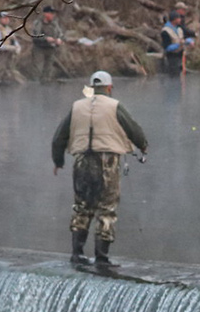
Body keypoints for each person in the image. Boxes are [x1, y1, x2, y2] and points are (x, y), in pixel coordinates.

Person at [51, 71, 150, 269]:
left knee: (82, 207)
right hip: (107, 161)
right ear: (109, 87)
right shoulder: (115, 106)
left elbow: (59, 137)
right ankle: (102, 258)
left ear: (91, 87)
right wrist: (143, 145)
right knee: (106, 208)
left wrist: (58, 161)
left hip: (81, 161)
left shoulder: (76, 106)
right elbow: (134, 129)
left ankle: (77, 254)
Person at [29, 7, 66, 82]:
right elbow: (34, 36)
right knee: (37, 70)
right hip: (39, 49)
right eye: (51, 13)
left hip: (51, 49)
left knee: (48, 70)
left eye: (53, 14)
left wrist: (60, 40)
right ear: (45, 14)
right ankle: (35, 88)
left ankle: (46, 88)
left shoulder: (55, 24)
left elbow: (62, 35)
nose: (53, 15)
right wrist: (46, 38)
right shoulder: (38, 23)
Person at [0, 12, 24, 84]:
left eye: (7, 18)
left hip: (8, 56)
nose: (6, 19)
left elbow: (14, 41)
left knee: (8, 73)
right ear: (0, 19)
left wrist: (17, 48)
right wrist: (10, 48)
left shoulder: (9, 29)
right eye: (4, 18)